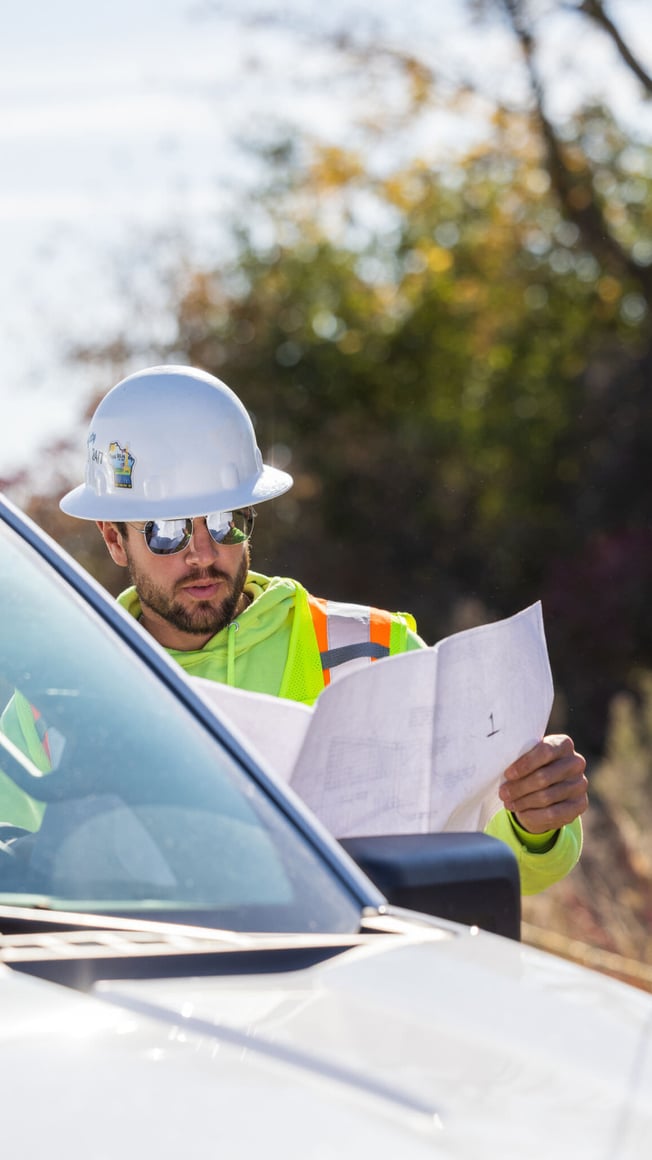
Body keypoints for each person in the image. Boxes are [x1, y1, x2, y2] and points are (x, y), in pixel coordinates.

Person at [59, 365, 588, 895]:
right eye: (167, 531)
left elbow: (488, 857)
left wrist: (536, 824)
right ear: (112, 538)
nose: (203, 554)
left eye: (225, 520)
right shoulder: (64, 694)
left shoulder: (377, 651)